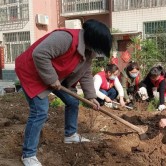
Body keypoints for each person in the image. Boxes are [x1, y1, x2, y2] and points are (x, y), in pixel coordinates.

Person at [15, 19, 112, 166]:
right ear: (93, 39)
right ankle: (28, 155)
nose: (97, 52)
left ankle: (70, 135)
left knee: (73, 101)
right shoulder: (65, 38)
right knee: (40, 111)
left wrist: (91, 96)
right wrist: (52, 78)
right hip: (32, 72)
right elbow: (39, 54)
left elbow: (85, 73)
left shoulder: (89, 50)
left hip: (53, 75)